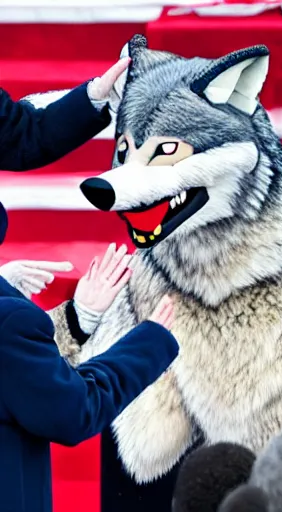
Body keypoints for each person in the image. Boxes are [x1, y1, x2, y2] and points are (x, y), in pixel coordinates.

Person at [0, 59, 181, 512]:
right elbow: (72, 410)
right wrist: (151, 343)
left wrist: (77, 319)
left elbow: (20, 133)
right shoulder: (10, 323)